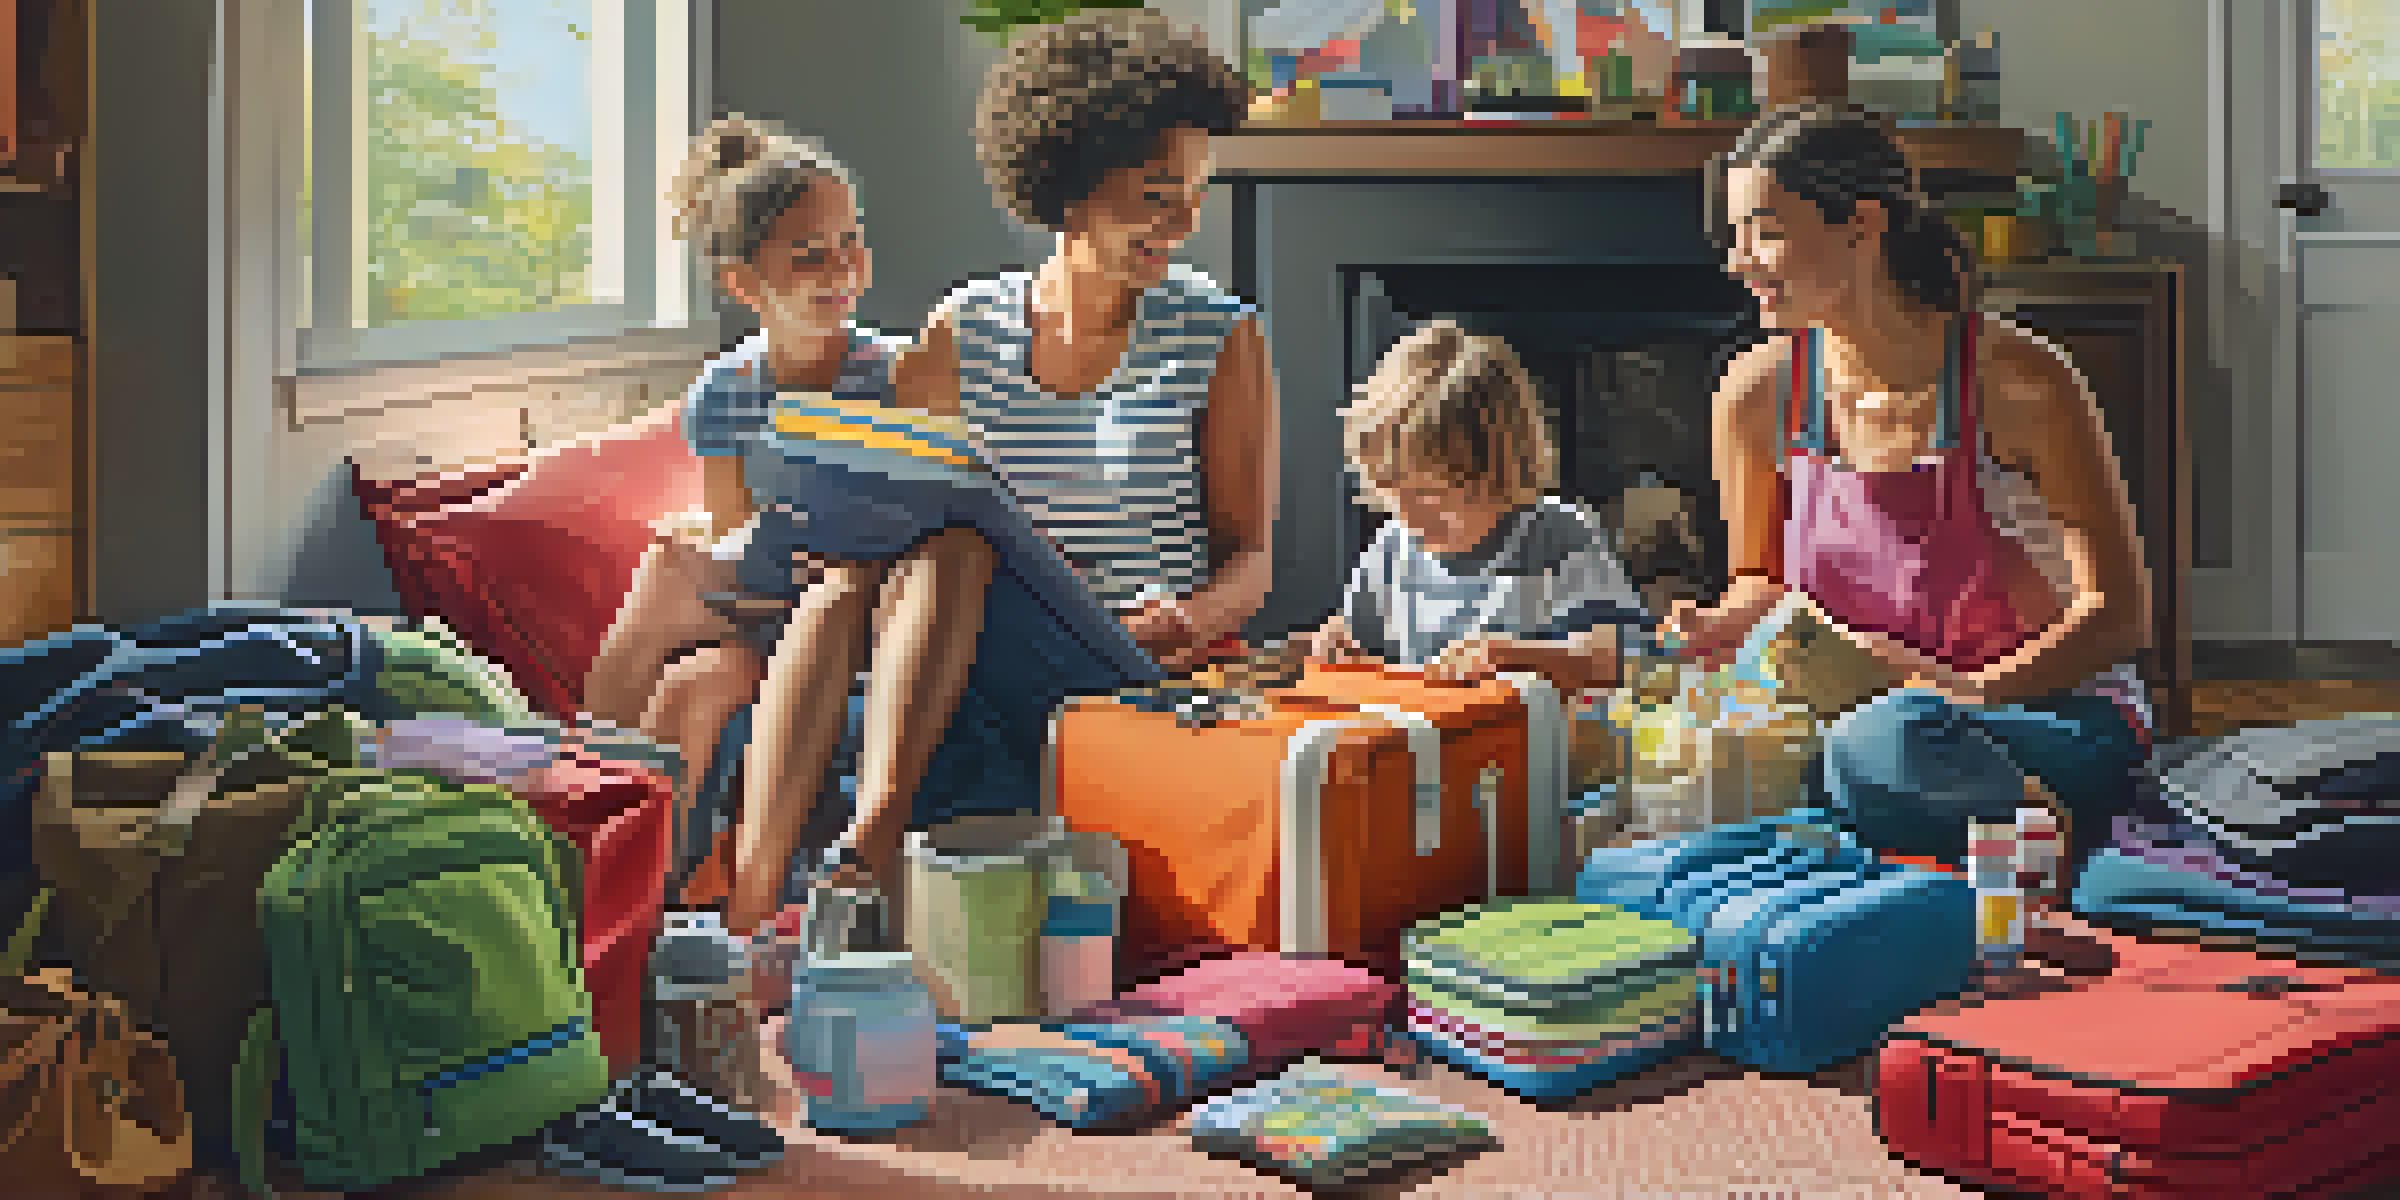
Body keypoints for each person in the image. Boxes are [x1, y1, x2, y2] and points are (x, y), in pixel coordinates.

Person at [638, 9, 1276, 938]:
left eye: (1193, 194)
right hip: (961, 638)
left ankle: (867, 842)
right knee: (897, 550)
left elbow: (1251, 559)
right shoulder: (964, 327)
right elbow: (885, 501)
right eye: (1154, 195)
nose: (1182, 224)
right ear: (1071, 188)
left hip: (1120, 646)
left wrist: (1198, 616)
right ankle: (762, 902)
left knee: (960, 539)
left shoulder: (1218, 334)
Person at [1666, 103, 2154, 872]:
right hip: (1869, 723)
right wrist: (1716, 627)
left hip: (2039, 715)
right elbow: (1760, 580)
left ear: (1861, 226)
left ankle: (2032, 845)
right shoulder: (1756, 395)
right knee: (1727, 755)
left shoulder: (2020, 385)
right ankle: (1984, 844)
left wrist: (1964, 694)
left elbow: (2118, 615)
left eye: (1765, 230)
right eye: (1734, 236)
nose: (1739, 261)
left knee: (1875, 745)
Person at [582, 118, 1006, 942]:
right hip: (766, 605)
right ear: (746, 285)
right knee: (685, 670)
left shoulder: (892, 376)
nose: (841, 269)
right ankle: (612, 872)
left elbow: (931, 517)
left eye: (850, 243)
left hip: (855, 608)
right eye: (809, 255)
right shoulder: (727, 392)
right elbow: (738, 524)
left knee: (699, 595)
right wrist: (727, 561)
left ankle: (725, 901)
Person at [1292, 321, 1648, 696]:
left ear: (1501, 474)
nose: (1409, 516)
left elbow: (1627, 659)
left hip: (1531, 749)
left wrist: (1515, 655)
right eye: (1392, 493)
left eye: (1432, 494)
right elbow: (1359, 642)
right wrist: (1336, 643)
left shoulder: (1557, 538)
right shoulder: (1392, 552)